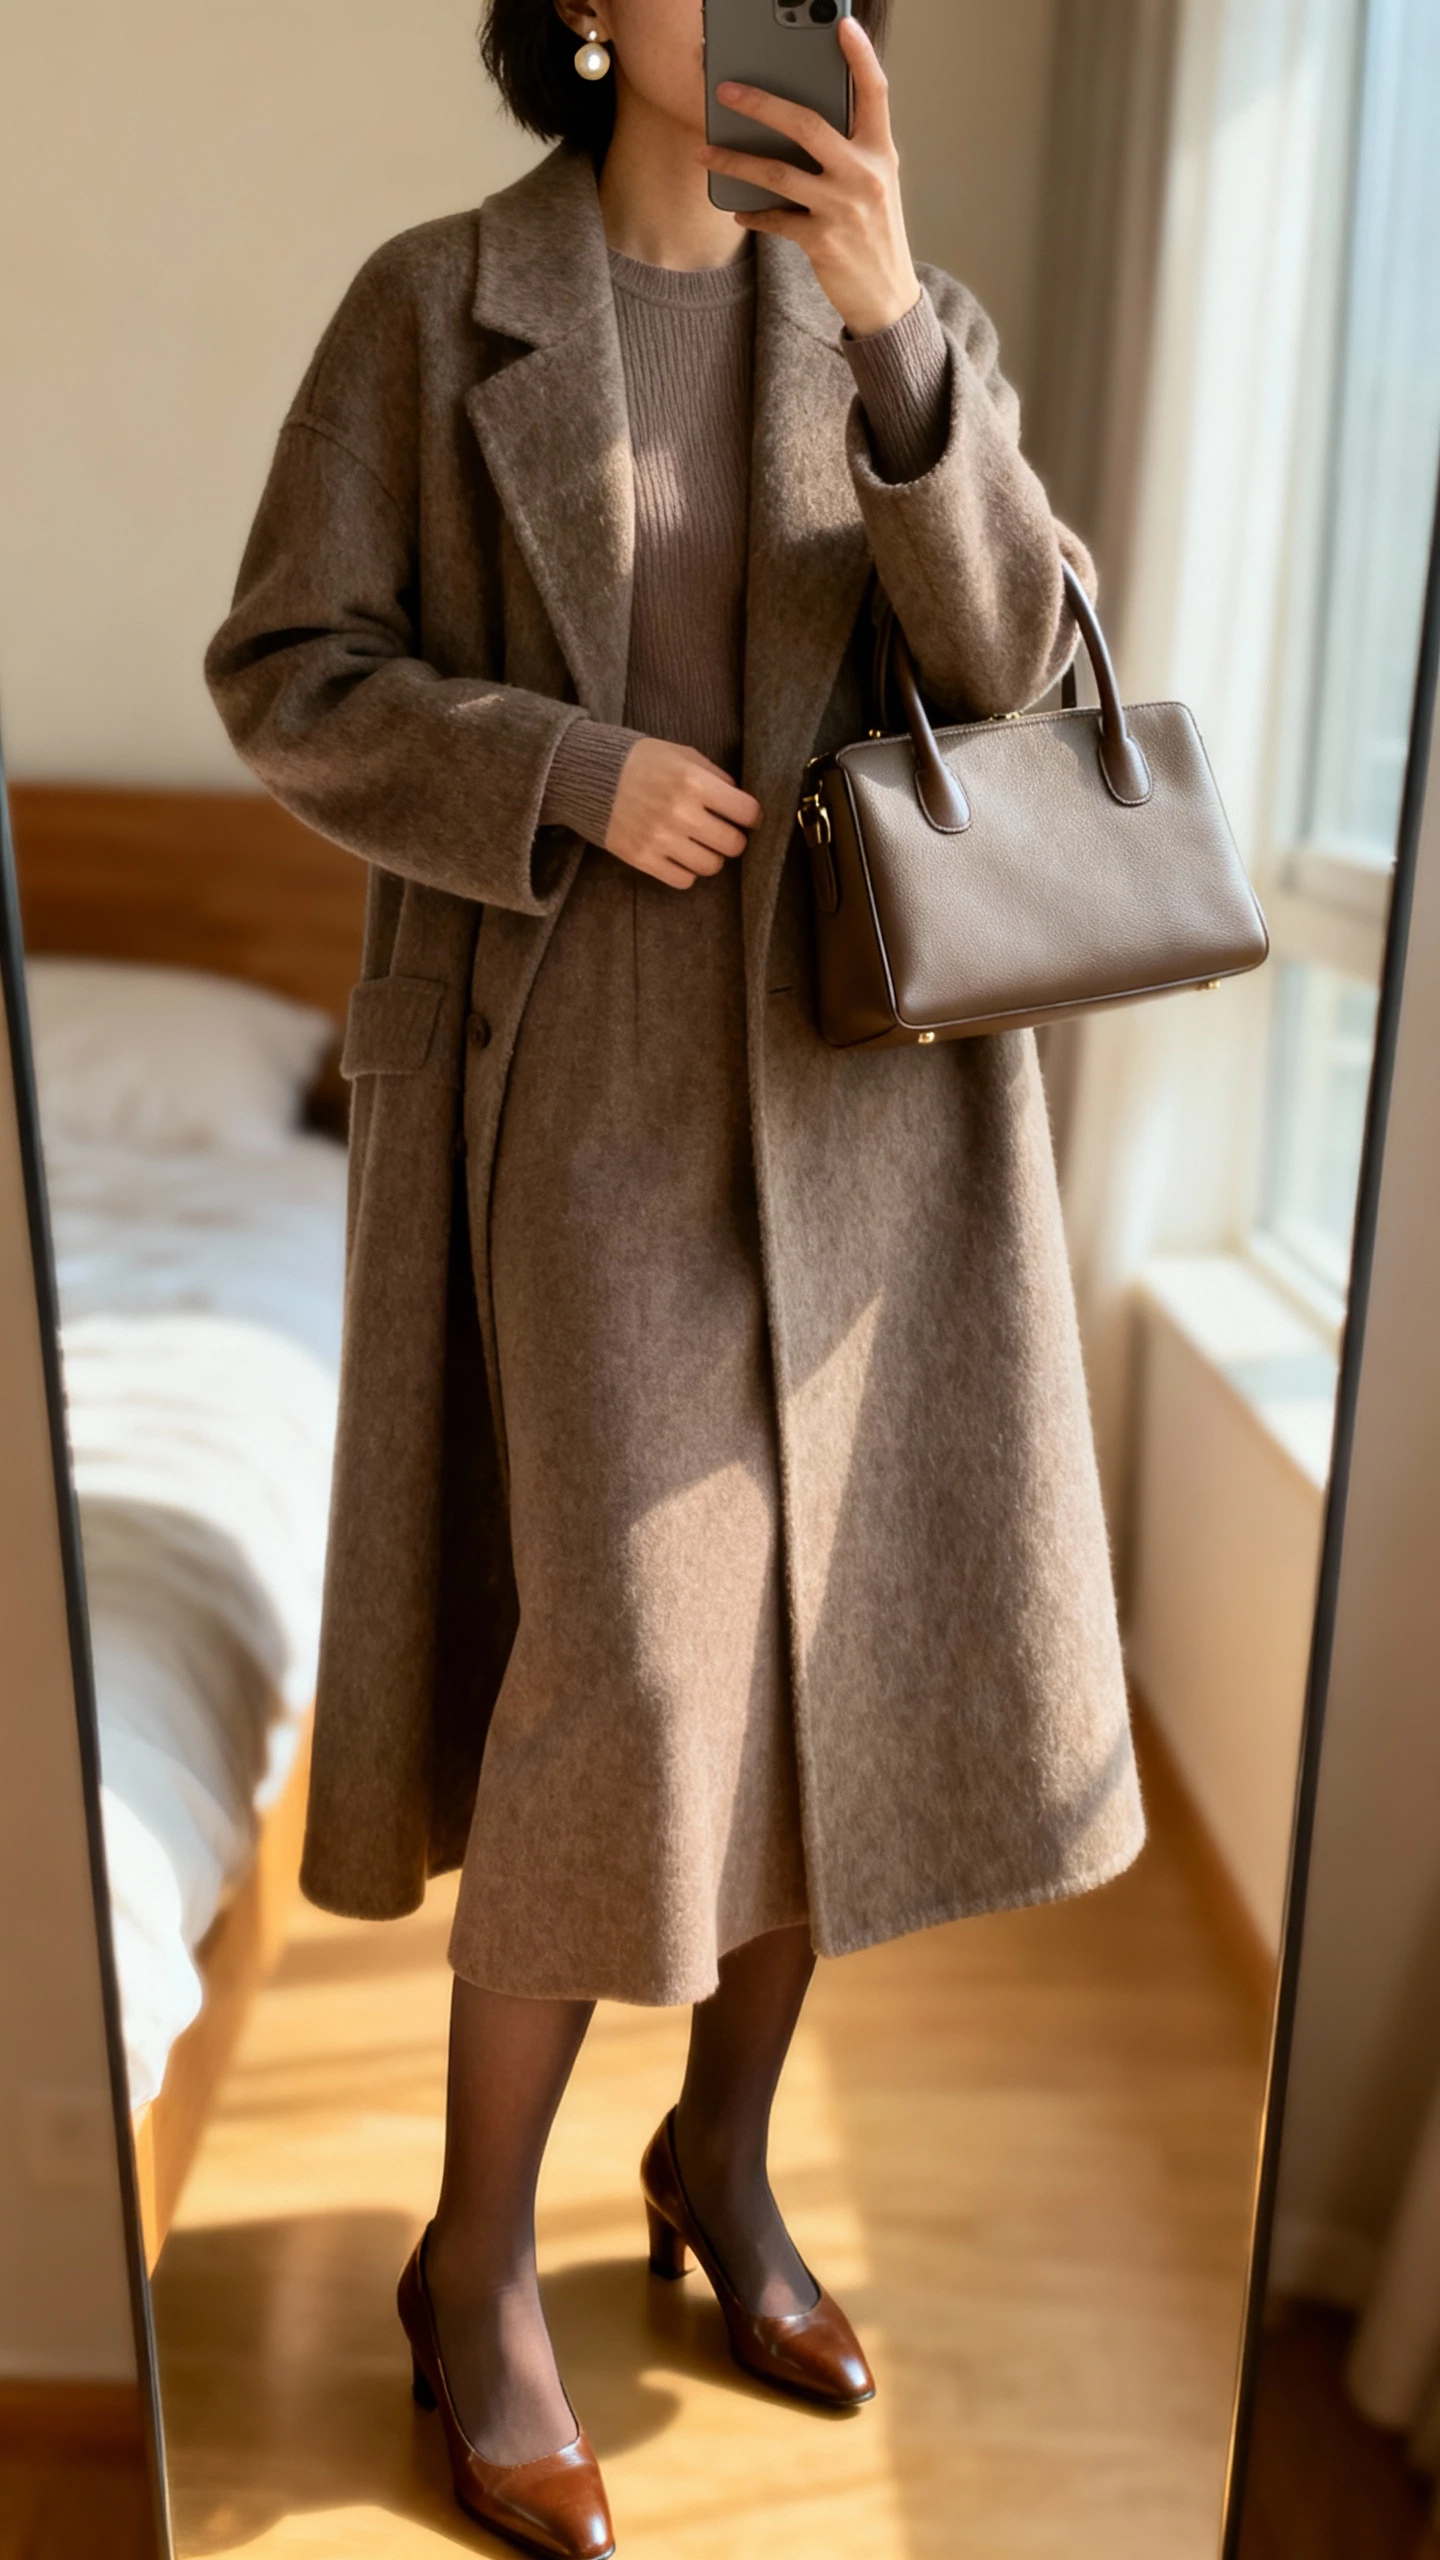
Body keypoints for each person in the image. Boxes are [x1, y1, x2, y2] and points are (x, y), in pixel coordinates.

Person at [207, 2, 1145, 2550]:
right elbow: (285, 667)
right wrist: (559, 766)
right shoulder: (436, 305)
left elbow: (1017, 680)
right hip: (577, 1077)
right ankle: (475, 2254)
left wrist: (894, 328)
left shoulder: (880, 303)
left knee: (833, 1656)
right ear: (593, 17)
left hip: (868, 1093)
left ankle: (718, 2161)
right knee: (619, 1671)